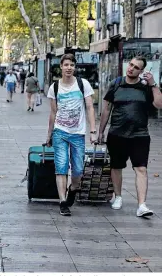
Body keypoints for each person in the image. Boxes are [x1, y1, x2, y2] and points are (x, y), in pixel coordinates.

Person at [98, 56, 162, 217]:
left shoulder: (146, 87)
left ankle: (142, 205)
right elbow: (107, 109)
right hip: (117, 133)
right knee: (116, 166)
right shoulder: (116, 84)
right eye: (131, 65)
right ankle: (118, 196)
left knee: (141, 168)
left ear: (141, 71)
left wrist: (153, 84)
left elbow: (160, 105)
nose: (131, 68)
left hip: (140, 134)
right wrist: (100, 131)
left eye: (136, 67)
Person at [46, 54, 97, 216]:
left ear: (75, 67)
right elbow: (53, 113)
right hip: (60, 132)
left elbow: (90, 108)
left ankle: (73, 189)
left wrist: (93, 131)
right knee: (61, 167)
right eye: (66, 64)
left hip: (78, 133)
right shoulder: (54, 87)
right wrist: (49, 135)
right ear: (61, 67)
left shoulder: (83, 84)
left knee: (78, 171)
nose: (69, 68)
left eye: (72, 65)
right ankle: (63, 202)